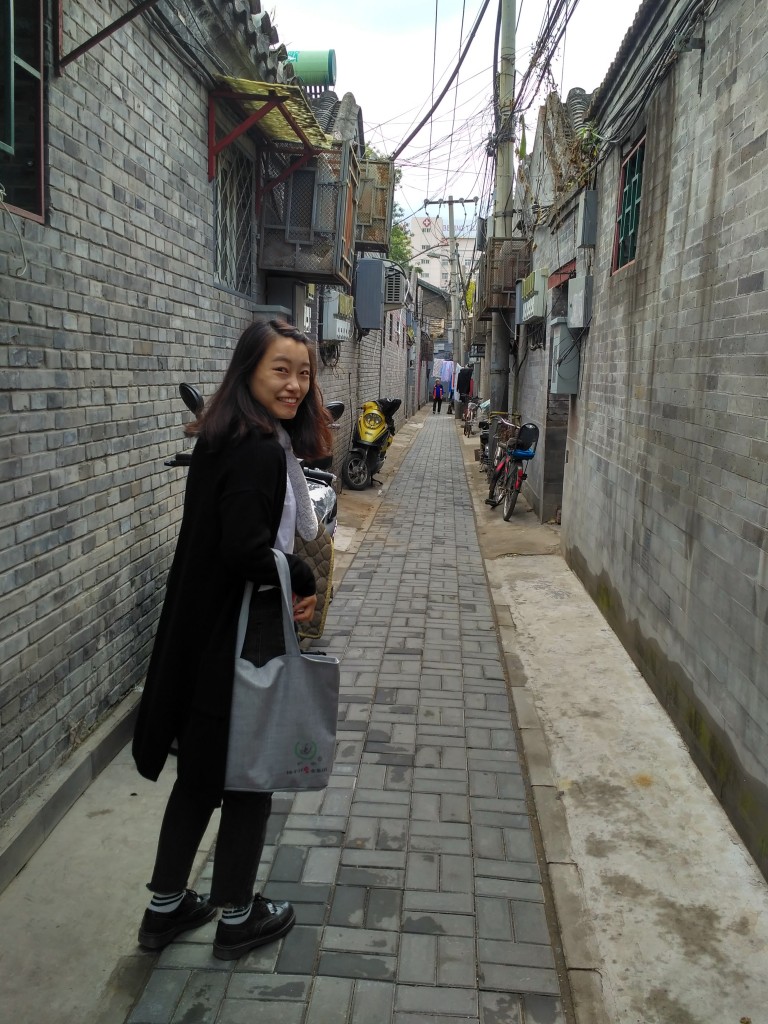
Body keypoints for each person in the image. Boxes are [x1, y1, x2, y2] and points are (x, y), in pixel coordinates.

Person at [132, 318, 333, 960]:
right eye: (281, 369)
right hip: (239, 639)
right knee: (250, 775)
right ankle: (238, 917)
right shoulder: (256, 451)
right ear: (249, 369)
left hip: (204, 635)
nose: (295, 384)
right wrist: (300, 574)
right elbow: (247, 547)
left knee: (198, 776)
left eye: (303, 372)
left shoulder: (224, 437)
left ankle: (165, 910)